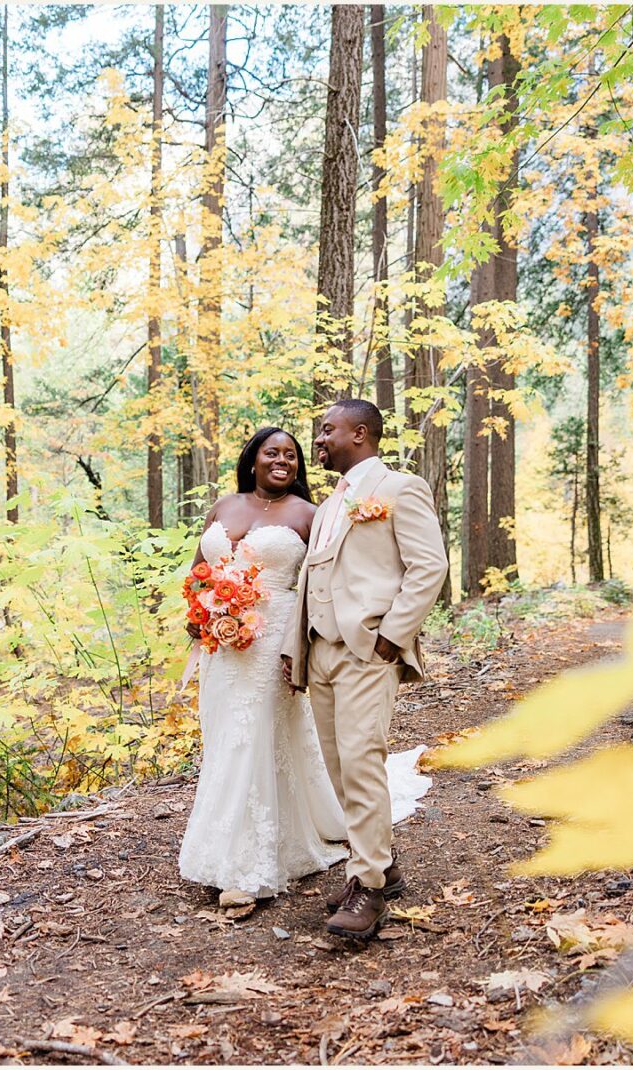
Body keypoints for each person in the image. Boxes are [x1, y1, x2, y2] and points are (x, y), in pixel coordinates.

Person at [281, 399, 448, 940]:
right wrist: (295, 646)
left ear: (360, 433)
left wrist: (391, 638)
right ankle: (381, 863)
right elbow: (309, 579)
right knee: (337, 768)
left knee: (361, 762)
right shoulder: (329, 506)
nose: (319, 440)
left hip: (367, 649)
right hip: (321, 650)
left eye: (327, 430)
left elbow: (430, 566)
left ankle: (369, 889)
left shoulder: (400, 489)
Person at [177, 427, 349, 906]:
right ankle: (235, 841)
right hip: (222, 646)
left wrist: (306, 646)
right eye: (272, 453)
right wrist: (199, 613)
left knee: (253, 739)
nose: (283, 461)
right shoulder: (224, 507)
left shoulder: (308, 515)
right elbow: (200, 573)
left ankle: (245, 869)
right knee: (225, 739)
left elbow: (322, 584)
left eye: (291, 456)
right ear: (252, 459)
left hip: (275, 641)